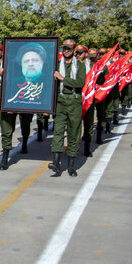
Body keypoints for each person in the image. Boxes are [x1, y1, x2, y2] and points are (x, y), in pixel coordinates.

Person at [48, 39, 86, 177]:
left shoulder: (80, 65)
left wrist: (63, 79)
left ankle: (71, 165)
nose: (66, 51)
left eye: (69, 48)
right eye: (64, 48)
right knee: (58, 131)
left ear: (74, 50)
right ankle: (56, 162)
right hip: (61, 101)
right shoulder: (57, 64)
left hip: (74, 102)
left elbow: (80, 83)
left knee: (73, 133)